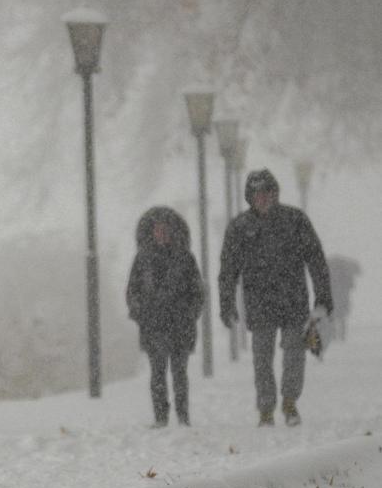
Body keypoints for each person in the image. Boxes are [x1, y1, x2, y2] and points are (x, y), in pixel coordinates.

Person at [218, 169, 331, 427]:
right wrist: (226, 303)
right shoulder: (239, 228)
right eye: (257, 194)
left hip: (294, 300)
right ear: (250, 197)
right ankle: (266, 409)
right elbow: (228, 270)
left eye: (267, 193)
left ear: (275, 193)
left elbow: (316, 260)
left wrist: (323, 297)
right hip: (259, 303)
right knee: (262, 359)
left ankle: (290, 402)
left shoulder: (295, 220)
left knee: (294, 354)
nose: (263, 198)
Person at [125, 206, 203, 427]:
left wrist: (189, 314)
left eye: (165, 230)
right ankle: (161, 417)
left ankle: (182, 416)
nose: (162, 234)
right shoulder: (142, 260)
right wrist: (141, 314)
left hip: (180, 326)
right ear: (152, 232)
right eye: (158, 230)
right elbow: (132, 291)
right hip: (153, 327)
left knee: (180, 374)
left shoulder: (185, 258)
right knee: (157, 374)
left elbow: (197, 292)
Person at [326, 255, 361, 342]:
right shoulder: (345, 271)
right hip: (343, 297)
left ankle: (333, 335)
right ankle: (342, 336)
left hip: (332, 296)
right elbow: (351, 285)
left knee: (332, 316)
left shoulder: (331, 270)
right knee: (341, 317)